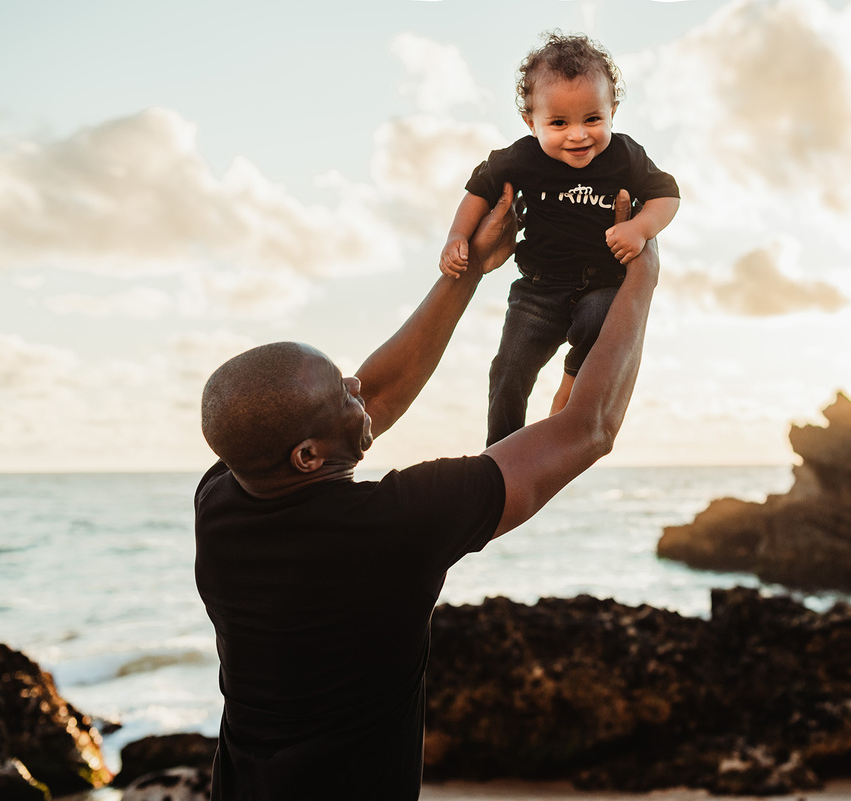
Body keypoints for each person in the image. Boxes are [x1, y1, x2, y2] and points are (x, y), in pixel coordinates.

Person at [194, 182, 659, 799]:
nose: (357, 387)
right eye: (340, 392)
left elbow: (374, 399)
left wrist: (468, 272)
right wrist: (642, 282)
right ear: (306, 456)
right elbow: (589, 428)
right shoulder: (394, 527)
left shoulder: (223, 497)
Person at [439, 31, 679, 445]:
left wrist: (640, 228)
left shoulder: (624, 155)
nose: (578, 135)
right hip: (538, 288)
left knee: (601, 324)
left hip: (601, 283)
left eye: (592, 119)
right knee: (509, 368)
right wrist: (457, 236)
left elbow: (667, 195)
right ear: (531, 122)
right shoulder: (521, 157)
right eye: (558, 123)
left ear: (613, 110)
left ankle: (570, 384)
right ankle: (500, 449)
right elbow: (478, 190)